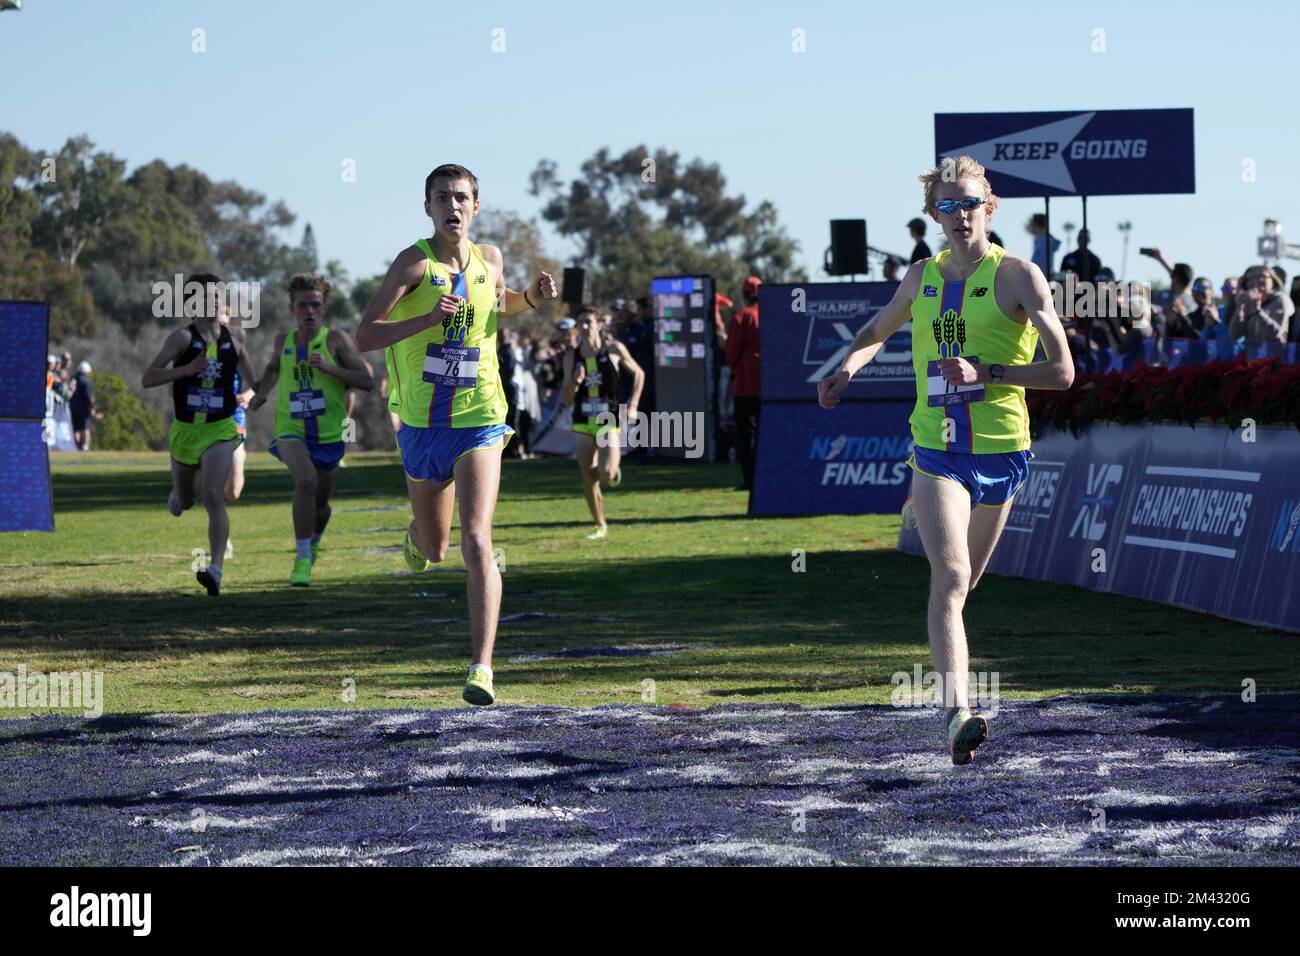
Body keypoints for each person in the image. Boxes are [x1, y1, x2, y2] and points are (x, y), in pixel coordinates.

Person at [818, 155, 1074, 765]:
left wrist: (988, 372)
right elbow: (876, 331)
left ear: (990, 206)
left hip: (1002, 453)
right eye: (947, 206)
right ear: (934, 213)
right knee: (951, 577)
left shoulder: (1020, 277)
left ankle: (954, 702)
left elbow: (1062, 372)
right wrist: (845, 371)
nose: (958, 216)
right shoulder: (920, 277)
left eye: (968, 204)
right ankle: (956, 711)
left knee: (962, 589)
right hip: (936, 451)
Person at [355, 163, 557, 706]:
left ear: (476, 205)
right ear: (428, 207)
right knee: (438, 547)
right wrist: (423, 320)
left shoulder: (490, 259)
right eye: (442, 197)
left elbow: (499, 303)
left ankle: (482, 668)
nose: (453, 205)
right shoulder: (413, 263)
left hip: (481, 418)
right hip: (423, 427)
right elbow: (365, 335)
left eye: (462, 197)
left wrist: (531, 299)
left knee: (477, 539)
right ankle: (417, 537)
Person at [250, 273, 373, 586]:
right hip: (291, 428)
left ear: (324, 308)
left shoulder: (337, 341)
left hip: (330, 435)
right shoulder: (283, 342)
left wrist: (329, 367)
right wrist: (262, 392)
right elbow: (274, 367)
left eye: (315, 305)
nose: (309, 311)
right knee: (305, 481)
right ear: (292, 309)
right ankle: (302, 558)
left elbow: (366, 381)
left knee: (320, 505)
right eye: (302, 305)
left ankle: (315, 539)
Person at [142, 273, 259, 596]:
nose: (216, 301)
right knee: (186, 500)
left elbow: (254, 382)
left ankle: (216, 570)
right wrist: (185, 370)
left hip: (220, 428)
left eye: (218, 296)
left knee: (213, 495)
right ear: (193, 304)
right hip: (186, 430)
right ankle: (178, 494)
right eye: (207, 297)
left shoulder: (236, 340)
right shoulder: (182, 338)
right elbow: (148, 377)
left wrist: (256, 394)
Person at [561, 305, 643, 539]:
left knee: (605, 474)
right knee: (588, 478)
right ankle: (600, 524)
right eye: (580, 323)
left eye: (588, 322)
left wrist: (634, 404)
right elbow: (566, 400)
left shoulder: (614, 349)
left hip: (608, 420)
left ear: (599, 325)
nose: (584, 327)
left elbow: (639, 374)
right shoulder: (571, 357)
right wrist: (575, 384)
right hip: (582, 422)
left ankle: (611, 473)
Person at [719, 275, 762, 490]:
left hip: (746, 385)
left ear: (744, 295)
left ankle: (749, 479)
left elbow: (731, 351)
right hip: (770, 385)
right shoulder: (772, 315)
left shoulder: (742, 316)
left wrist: (737, 368)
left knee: (746, 434)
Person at [1228, 265, 1288, 344]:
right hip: (1252, 355)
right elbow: (1234, 335)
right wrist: (1239, 309)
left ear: (1273, 280)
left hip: (1274, 354)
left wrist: (1258, 311)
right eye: (1252, 277)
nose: (1258, 280)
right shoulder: (1248, 300)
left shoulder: (1280, 300)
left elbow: (1276, 333)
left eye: (1262, 276)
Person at [69, 361, 101, 450]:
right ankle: (84, 447)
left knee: (76, 429)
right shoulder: (86, 382)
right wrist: (92, 408)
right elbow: (88, 397)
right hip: (84, 410)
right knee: (85, 429)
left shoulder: (73, 379)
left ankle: (76, 446)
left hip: (73, 408)